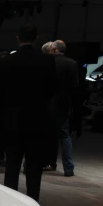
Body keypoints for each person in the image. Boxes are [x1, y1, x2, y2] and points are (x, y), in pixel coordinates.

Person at [0, 24, 57, 202]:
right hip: (37, 120)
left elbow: (1, 92)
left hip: (13, 120)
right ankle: (33, 201)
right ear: (36, 37)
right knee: (34, 167)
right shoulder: (47, 60)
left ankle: (10, 202)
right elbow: (51, 90)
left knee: (12, 166)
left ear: (18, 38)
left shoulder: (7, 61)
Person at [44, 40, 79, 176]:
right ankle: (68, 168)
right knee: (65, 136)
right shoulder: (72, 63)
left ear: (53, 49)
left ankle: (35, 164)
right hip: (64, 104)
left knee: (42, 135)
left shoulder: (46, 62)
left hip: (47, 104)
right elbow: (75, 87)